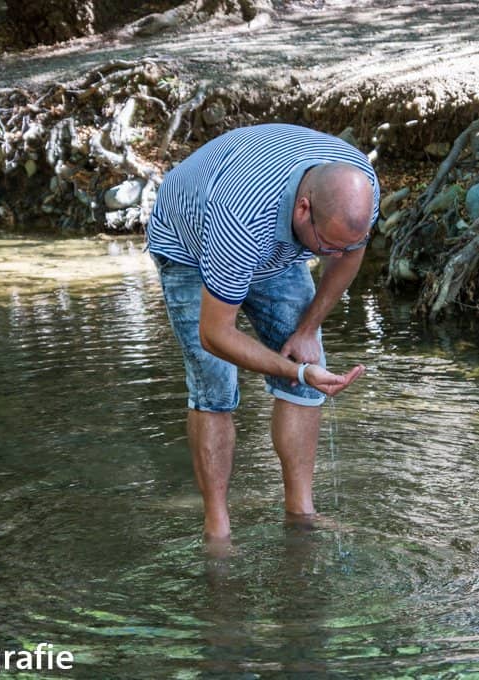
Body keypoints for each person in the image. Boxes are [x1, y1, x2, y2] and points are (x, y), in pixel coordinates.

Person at [146, 123, 380, 545]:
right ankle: (217, 528)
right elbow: (215, 334)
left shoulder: (358, 188)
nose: (331, 256)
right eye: (325, 247)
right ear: (305, 209)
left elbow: (349, 255)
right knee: (214, 387)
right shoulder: (240, 214)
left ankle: (301, 513)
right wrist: (300, 373)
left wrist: (308, 330)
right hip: (191, 248)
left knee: (306, 365)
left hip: (277, 244)